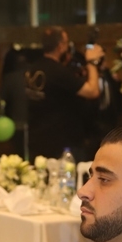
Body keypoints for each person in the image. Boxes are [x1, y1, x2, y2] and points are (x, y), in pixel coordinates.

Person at [25, 26, 104, 160]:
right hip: (60, 142)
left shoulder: (33, 68)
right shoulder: (57, 71)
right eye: (66, 43)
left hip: (37, 137)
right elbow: (92, 91)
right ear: (60, 46)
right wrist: (92, 62)